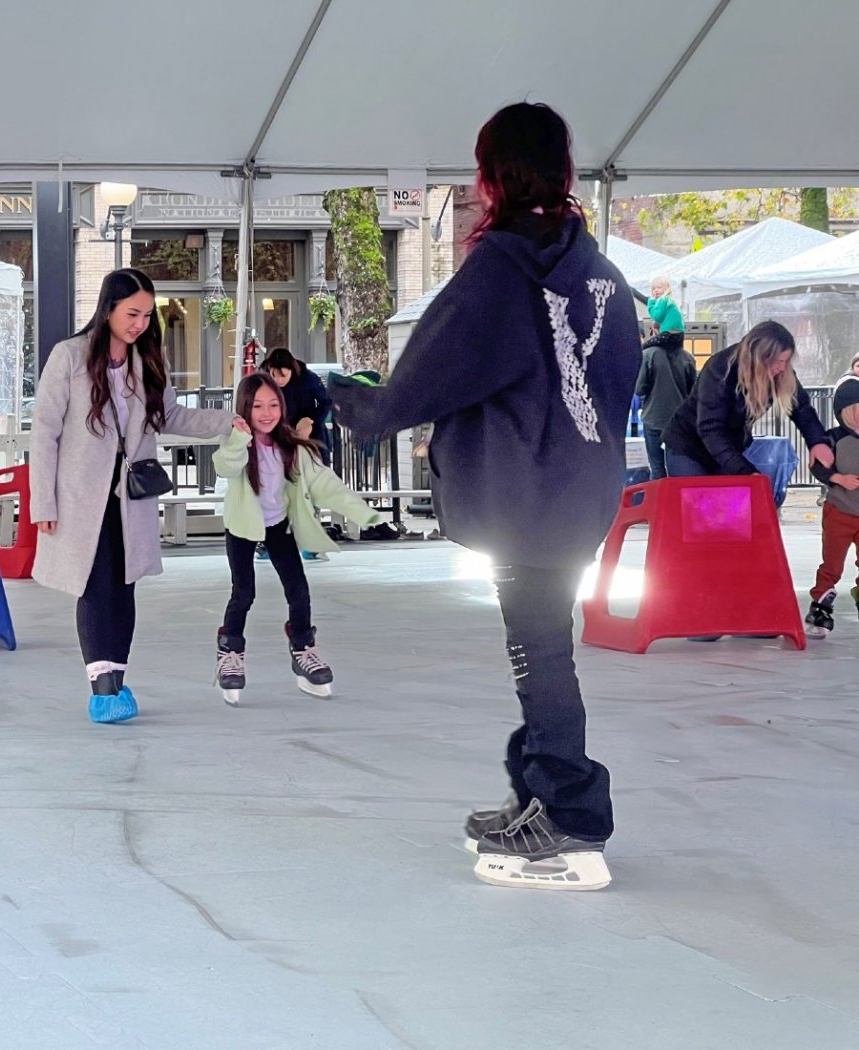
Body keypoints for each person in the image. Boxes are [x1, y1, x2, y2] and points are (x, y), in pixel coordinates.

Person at [332, 102, 640, 891]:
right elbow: (615, 386)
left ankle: (570, 816)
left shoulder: (501, 272)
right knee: (543, 646)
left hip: (526, 496)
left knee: (540, 652)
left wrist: (345, 400)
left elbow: (426, 377)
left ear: (493, 175)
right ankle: (541, 794)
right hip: (581, 492)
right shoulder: (604, 278)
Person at [30, 267, 236, 724]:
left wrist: (229, 421)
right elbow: (44, 433)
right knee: (94, 583)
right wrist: (42, 501)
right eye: (132, 313)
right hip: (81, 495)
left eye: (146, 314)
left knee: (124, 586)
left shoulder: (147, 361)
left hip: (132, 493)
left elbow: (172, 417)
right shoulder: (69, 356)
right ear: (108, 309)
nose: (140, 323)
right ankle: (101, 688)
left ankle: (116, 681)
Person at [212, 372, 379, 706]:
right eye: (258, 405)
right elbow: (224, 467)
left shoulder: (293, 448)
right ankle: (229, 652)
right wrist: (238, 439)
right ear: (245, 408)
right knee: (243, 592)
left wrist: (365, 513)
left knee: (299, 590)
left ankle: (303, 649)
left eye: (273, 404)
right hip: (243, 527)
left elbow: (325, 484)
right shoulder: (238, 445)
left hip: (279, 526)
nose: (266, 413)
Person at [661, 320, 832, 499]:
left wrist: (817, 442)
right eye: (779, 361)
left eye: (786, 361)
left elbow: (801, 408)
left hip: (727, 447)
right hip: (688, 446)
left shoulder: (779, 373)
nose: (782, 367)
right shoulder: (720, 369)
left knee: (728, 506)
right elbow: (710, 428)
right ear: (761, 358)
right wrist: (745, 471)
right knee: (694, 504)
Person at [803, 377, 859, 637]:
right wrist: (838, 478)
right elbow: (817, 465)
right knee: (832, 564)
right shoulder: (833, 438)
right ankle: (820, 610)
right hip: (839, 512)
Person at [634, 298, 696, 480]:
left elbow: (639, 389)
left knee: (657, 468)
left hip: (654, 419)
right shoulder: (688, 358)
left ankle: (659, 499)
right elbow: (693, 393)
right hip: (679, 422)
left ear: (656, 330)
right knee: (679, 469)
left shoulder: (647, 355)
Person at [262, 347, 331, 463]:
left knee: (316, 464)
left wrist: (311, 420)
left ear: (292, 370)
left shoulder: (307, 378)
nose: (279, 380)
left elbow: (325, 402)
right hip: (278, 431)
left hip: (310, 429)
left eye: (283, 375)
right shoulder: (263, 379)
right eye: (274, 375)